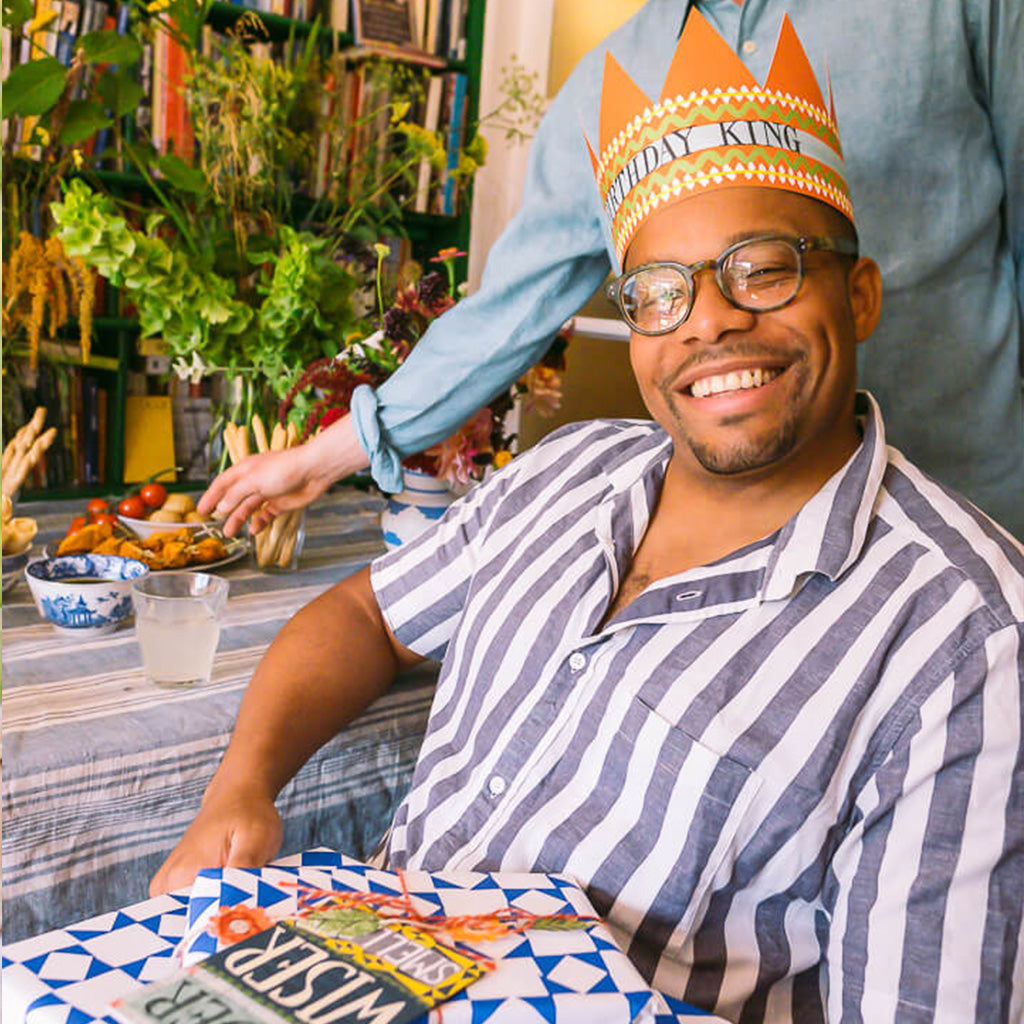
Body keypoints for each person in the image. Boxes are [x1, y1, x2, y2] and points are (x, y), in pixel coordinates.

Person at [153, 13, 1023, 1021]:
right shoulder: (565, 474)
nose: (710, 318)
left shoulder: (962, 645)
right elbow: (366, 610)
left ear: (860, 296)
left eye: (765, 267)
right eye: (657, 292)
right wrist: (240, 784)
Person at [202, 0, 1023, 542]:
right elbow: (508, 310)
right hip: (745, 547)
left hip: (976, 509)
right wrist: (321, 456)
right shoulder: (604, 84)